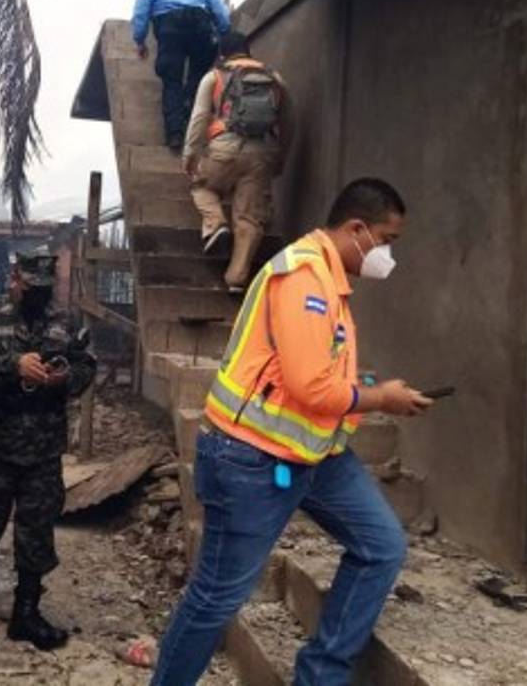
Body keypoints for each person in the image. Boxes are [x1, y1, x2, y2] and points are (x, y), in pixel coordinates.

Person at [150, 179, 436, 686]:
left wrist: (374, 389)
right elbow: (311, 387)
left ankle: (320, 676)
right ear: (357, 229)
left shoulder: (329, 279)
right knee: (217, 596)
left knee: (381, 546)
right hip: (250, 458)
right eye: (386, 240)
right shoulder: (304, 278)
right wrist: (381, 399)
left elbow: (317, 373)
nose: (388, 254)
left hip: (314, 454)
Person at [0, 252, 97, 649]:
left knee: (36, 529)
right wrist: (11, 365)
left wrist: (64, 378)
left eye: (44, 289)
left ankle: (27, 610)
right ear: (15, 278)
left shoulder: (67, 321)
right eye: (30, 286)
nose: (36, 295)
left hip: (43, 447)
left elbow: (86, 367)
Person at [183, 29, 292, 292]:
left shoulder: (214, 76)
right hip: (262, 153)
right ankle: (236, 279)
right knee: (250, 218)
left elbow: (199, 119)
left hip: (223, 150)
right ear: (249, 51)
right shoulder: (275, 79)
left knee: (201, 186)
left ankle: (216, 224)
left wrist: (190, 155)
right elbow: (289, 123)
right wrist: (280, 158)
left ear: (222, 54)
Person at [131, 0, 231, 152]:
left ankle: (175, 134)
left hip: (169, 28)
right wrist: (224, 33)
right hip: (200, 25)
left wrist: (140, 40)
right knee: (198, 74)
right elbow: (219, 9)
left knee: (171, 80)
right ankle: (190, 107)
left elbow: (141, 11)